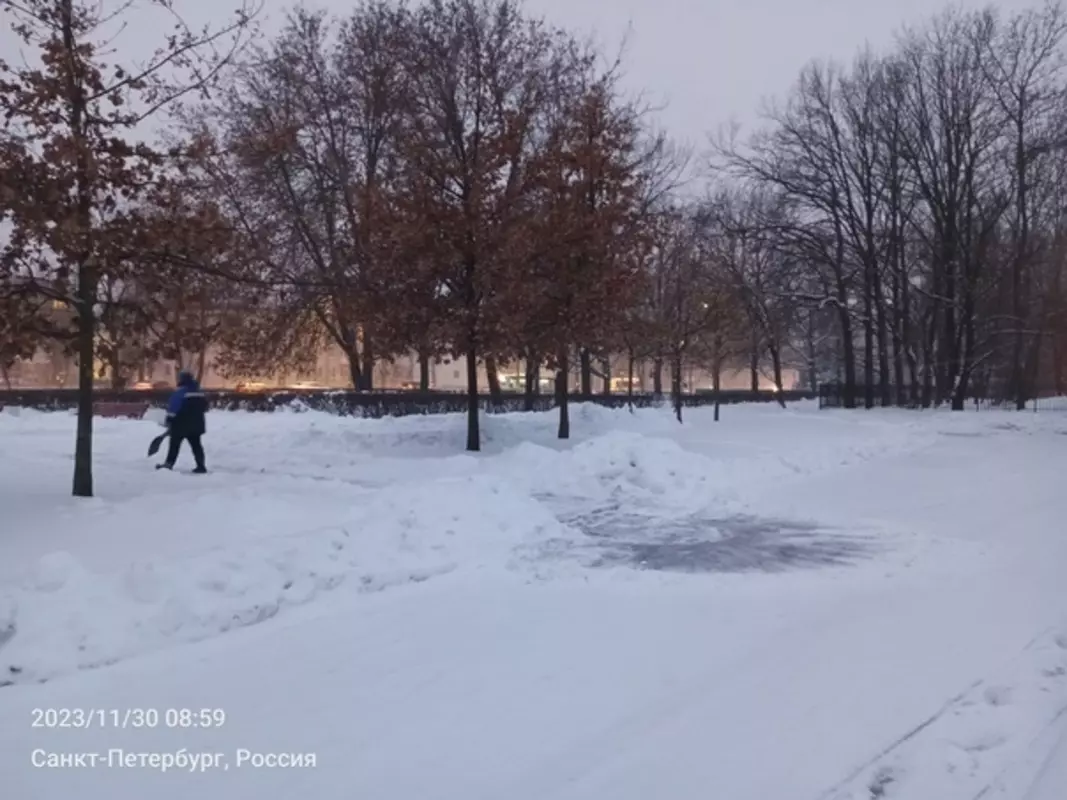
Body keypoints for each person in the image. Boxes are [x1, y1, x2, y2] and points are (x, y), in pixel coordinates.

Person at [157, 370, 208, 473]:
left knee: (174, 444)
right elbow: (205, 407)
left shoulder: (180, 392)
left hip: (180, 424)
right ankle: (201, 466)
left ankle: (169, 464)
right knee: (196, 445)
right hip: (197, 424)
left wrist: (169, 419)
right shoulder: (199, 392)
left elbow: (173, 407)